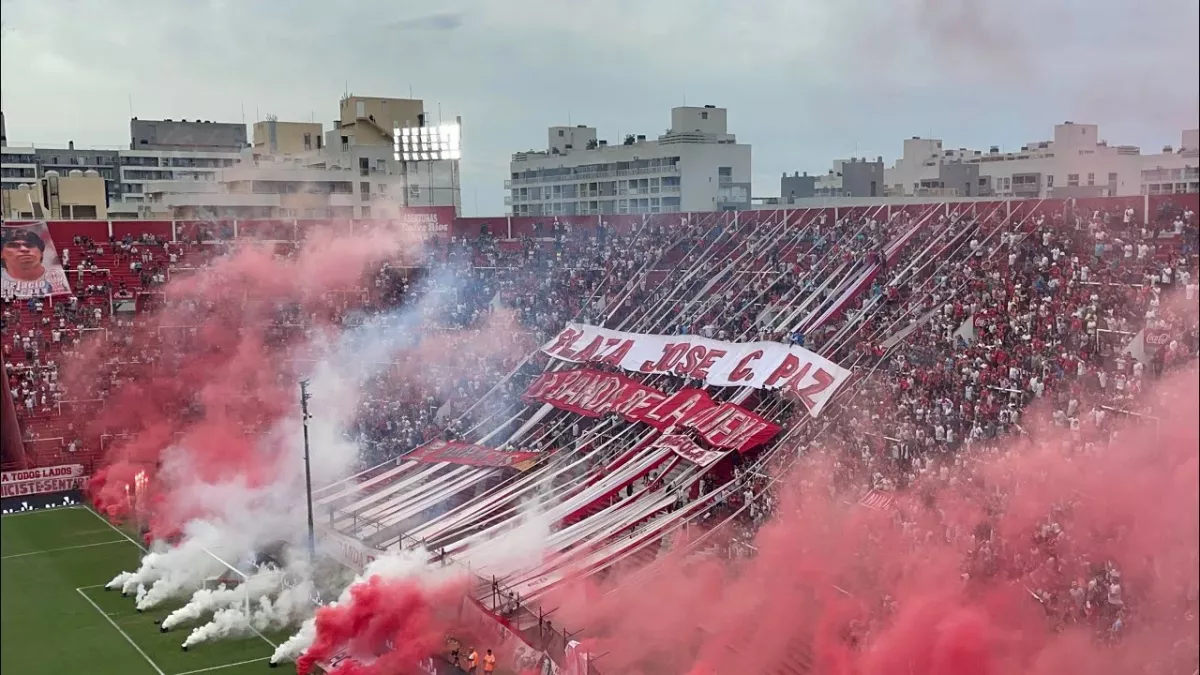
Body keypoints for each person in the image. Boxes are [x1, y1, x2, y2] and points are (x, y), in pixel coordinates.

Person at [1, 227, 71, 298]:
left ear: (41, 253)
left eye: (30, 245)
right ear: (1, 253)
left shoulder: (57, 278)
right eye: (14, 246)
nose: (24, 249)